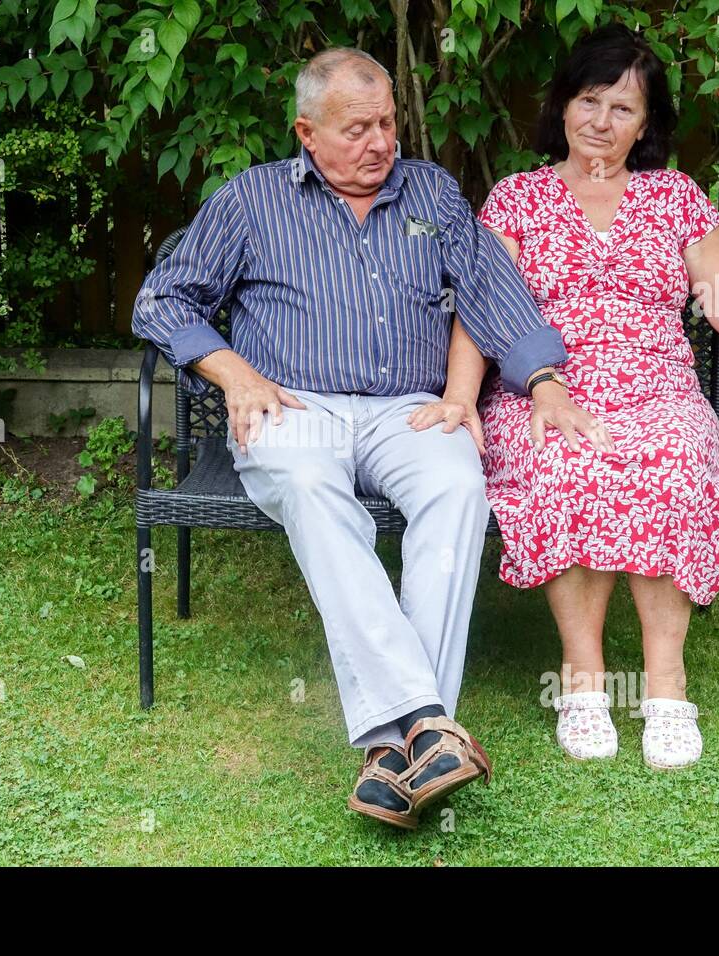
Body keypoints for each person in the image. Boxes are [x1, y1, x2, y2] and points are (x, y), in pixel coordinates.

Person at [133, 47, 600, 827]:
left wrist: (543, 382)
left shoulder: (431, 194)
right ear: (306, 132)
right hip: (293, 406)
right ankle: (426, 726)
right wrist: (236, 376)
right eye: (357, 128)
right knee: (314, 489)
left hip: (409, 409)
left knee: (458, 487)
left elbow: (490, 291)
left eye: (387, 122)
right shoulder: (252, 201)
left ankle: (395, 750)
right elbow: (162, 301)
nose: (380, 141)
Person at [425, 23, 719, 769]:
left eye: (622, 108)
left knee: (671, 459)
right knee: (568, 465)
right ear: (563, 105)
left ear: (647, 125)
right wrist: (459, 397)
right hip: (545, 391)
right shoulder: (518, 197)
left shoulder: (674, 198)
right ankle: (583, 683)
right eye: (589, 100)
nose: (601, 122)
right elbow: (481, 307)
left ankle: (667, 691)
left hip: (658, 388)